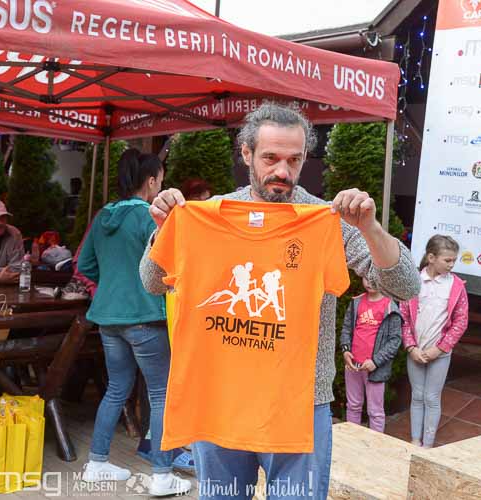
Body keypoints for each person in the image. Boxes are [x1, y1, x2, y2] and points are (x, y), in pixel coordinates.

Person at [139, 102, 420, 499]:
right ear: (247, 153)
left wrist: (371, 228)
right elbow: (152, 282)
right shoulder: (207, 215)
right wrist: (164, 231)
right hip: (222, 396)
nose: (283, 171)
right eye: (271, 158)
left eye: (294, 159)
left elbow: (406, 286)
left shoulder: (326, 219)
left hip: (299, 404)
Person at [78, 149, 191, 497]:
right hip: (145, 318)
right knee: (160, 394)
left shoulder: (103, 215)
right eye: (161, 180)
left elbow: (85, 265)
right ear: (152, 181)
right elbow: (171, 264)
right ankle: (162, 474)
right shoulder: (149, 216)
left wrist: (113, 282)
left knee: (116, 388)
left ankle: (96, 463)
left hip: (107, 317)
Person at [400, 234, 468, 448]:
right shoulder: (414, 282)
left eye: (454, 260)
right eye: (447, 260)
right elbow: (403, 317)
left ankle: (428, 444)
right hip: (416, 352)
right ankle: (415, 440)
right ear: (431, 258)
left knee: (431, 397)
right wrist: (411, 347)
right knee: (417, 395)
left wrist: (440, 349)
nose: (452, 264)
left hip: (440, 355)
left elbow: (461, 321)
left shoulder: (456, 285)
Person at [340, 277, 403, 433]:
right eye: (367, 278)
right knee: (353, 406)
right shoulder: (356, 302)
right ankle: (352, 439)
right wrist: (346, 350)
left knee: (375, 411)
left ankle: (376, 443)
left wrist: (375, 361)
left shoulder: (390, 307)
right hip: (353, 365)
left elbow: (395, 340)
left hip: (375, 369)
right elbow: (346, 328)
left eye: (374, 278)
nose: (370, 282)